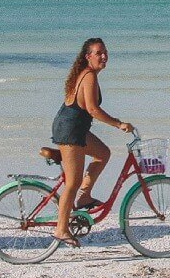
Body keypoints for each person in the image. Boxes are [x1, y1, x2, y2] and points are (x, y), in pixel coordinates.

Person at [49, 38, 133, 247]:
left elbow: (87, 108)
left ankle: (84, 197)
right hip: (70, 130)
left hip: (74, 127)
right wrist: (118, 124)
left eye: (105, 52)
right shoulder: (88, 76)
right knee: (72, 181)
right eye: (98, 53)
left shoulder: (87, 74)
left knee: (103, 153)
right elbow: (92, 109)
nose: (104, 56)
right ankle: (60, 229)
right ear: (88, 56)